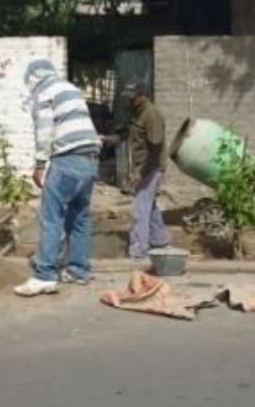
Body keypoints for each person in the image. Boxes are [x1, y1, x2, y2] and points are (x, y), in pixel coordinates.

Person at [13, 56, 101, 297]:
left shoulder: (44, 92)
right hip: (90, 159)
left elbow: (44, 130)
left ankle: (44, 276)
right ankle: (78, 270)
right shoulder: (70, 88)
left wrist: (40, 164)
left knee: (52, 217)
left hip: (67, 160)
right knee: (79, 218)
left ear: (33, 78)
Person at [102, 82, 168, 259]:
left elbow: (155, 148)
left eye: (133, 98)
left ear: (143, 96)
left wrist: (141, 173)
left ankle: (139, 251)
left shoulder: (152, 114)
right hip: (146, 166)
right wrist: (109, 139)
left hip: (151, 167)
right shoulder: (137, 112)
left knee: (139, 208)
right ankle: (159, 240)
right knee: (149, 205)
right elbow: (127, 133)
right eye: (129, 98)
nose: (129, 101)